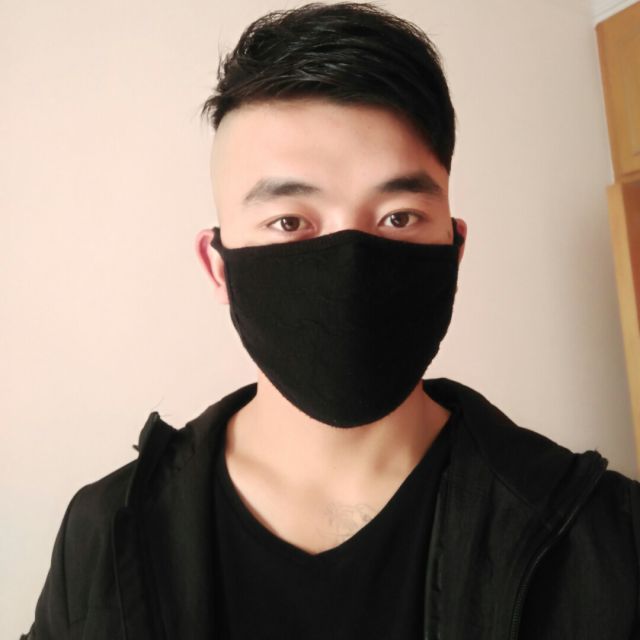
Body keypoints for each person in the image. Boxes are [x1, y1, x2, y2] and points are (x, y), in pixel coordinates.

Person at [22, 2, 640, 639]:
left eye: (398, 217)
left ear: (453, 252)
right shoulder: (103, 537)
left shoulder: (607, 539)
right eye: (289, 221)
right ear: (219, 267)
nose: (349, 266)